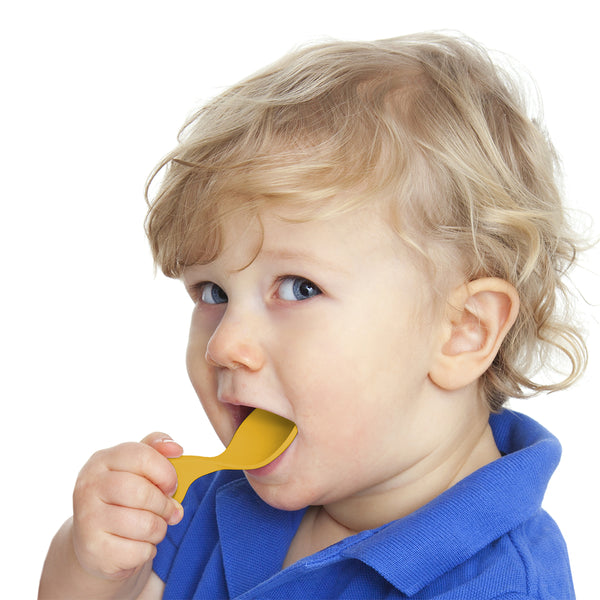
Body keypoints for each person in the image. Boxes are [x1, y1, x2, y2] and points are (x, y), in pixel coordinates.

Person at [39, 32, 587, 599]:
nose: (223, 345)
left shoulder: (501, 586)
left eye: (299, 288)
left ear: (462, 331)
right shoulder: (205, 506)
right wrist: (96, 568)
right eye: (213, 292)